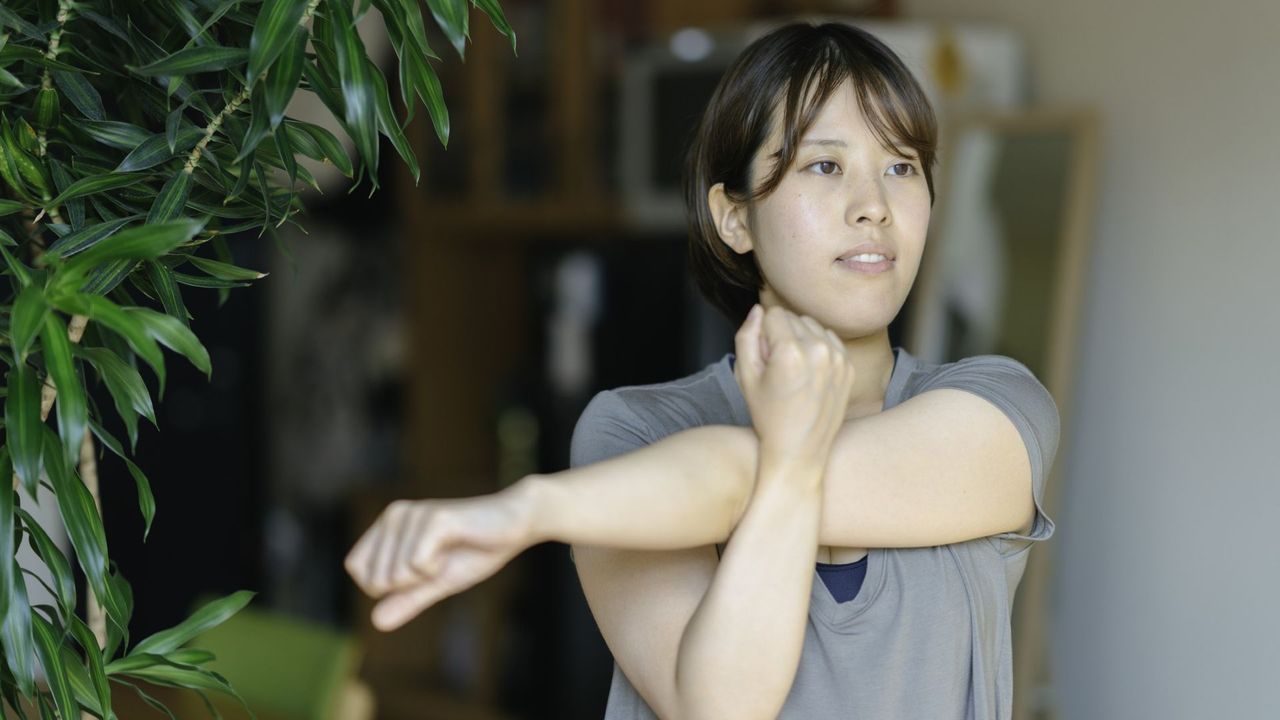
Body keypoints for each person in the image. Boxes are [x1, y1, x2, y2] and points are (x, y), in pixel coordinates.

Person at [346, 21, 1059, 720]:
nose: (874, 207)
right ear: (734, 218)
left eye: (902, 167)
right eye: (825, 165)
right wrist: (785, 468)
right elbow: (718, 707)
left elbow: (726, 473)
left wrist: (534, 509)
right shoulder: (633, 430)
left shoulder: (995, 410)